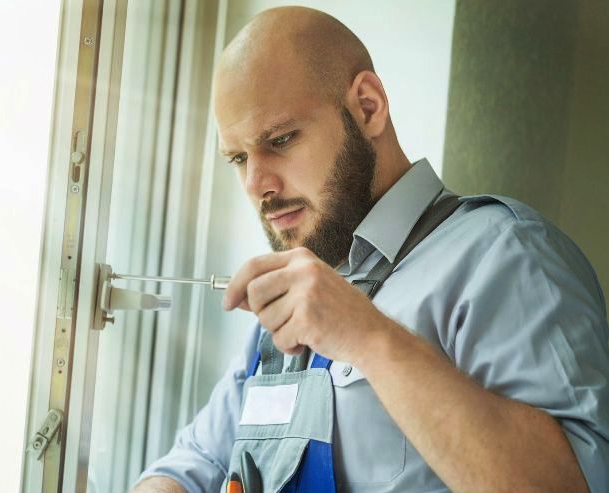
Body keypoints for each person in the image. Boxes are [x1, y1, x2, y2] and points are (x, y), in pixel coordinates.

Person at [133, 6, 609, 492]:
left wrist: (365, 334)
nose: (257, 184)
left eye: (280, 140)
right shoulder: (291, 301)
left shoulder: (506, 254)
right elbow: (191, 465)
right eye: (237, 157)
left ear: (367, 106)